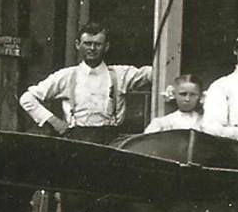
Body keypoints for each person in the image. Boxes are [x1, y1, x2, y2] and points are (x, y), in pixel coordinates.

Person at [19, 23, 151, 133]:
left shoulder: (121, 74)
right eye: (87, 43)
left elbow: (153, 74)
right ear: (77, 45)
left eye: (98, 44)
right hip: (78, 141)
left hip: (112, 141)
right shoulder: (67, 76)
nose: (92, 48)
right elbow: (27, 98)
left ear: (106, 47)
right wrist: (54, 121)